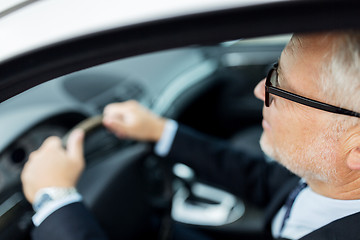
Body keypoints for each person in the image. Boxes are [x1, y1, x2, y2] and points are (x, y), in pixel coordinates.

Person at [21, 31, 360, 240]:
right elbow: (264, 179)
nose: (260, 90)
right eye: (274, 70)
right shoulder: (332, 182)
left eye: (281, 86)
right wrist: (159, 131)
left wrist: (55, 200)